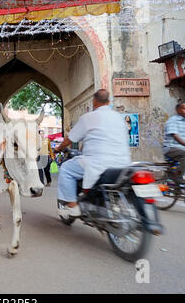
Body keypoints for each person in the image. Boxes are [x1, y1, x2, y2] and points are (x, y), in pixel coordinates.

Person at [54, 89, 131, 217]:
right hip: (123, 163)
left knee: (66, 169)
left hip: (97, 163)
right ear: (108, 101)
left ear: (94, 101)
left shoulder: (88, 118)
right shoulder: (119, 118)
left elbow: (70, 138)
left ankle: (73, 206)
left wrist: (59, 148)